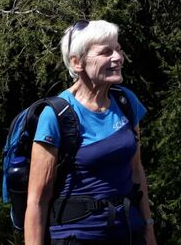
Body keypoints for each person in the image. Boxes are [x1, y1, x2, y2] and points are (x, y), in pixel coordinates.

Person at [25, 20, 156, 245]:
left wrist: (148, 227)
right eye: (106, 52)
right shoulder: (56, 115)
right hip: (78, 235)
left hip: (128, 231)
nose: (117, 57)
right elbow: (38, 200)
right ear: (77, 62)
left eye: (118, 49)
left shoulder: (125, 101)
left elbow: (136, 171)